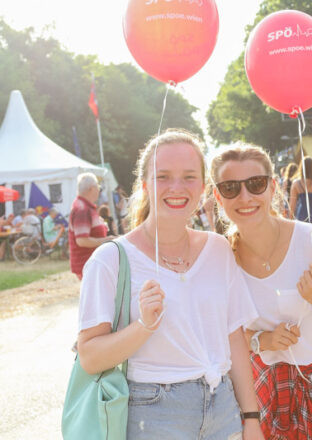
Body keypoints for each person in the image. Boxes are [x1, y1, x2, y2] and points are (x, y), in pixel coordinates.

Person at [76, 129, 265, 440]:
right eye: (163, 176)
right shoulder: (110, 260)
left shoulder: (218, 250)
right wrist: (144, 326)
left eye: (189, 177)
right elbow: (90, 357)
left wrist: (251, 417)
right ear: (145, 185)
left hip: (223, 409)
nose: (176, 187)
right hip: (154, 415)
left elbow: (234, 339)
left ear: (203, 188)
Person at [211, 144, 312, 440]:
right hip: (265, 389)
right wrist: (263, 340)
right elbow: (223, 337)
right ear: (217, 196)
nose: (245, 197)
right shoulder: (220, 258)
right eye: (231, 188)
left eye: (256, 184)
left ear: (273, 187)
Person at [68, 173, 114, 280]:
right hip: (87, 264)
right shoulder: (82, 209)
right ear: (92, 188)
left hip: (91, 263)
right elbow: (82, 240)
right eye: (98, 187)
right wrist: (106, 240)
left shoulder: (85, 207)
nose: (99, 190)